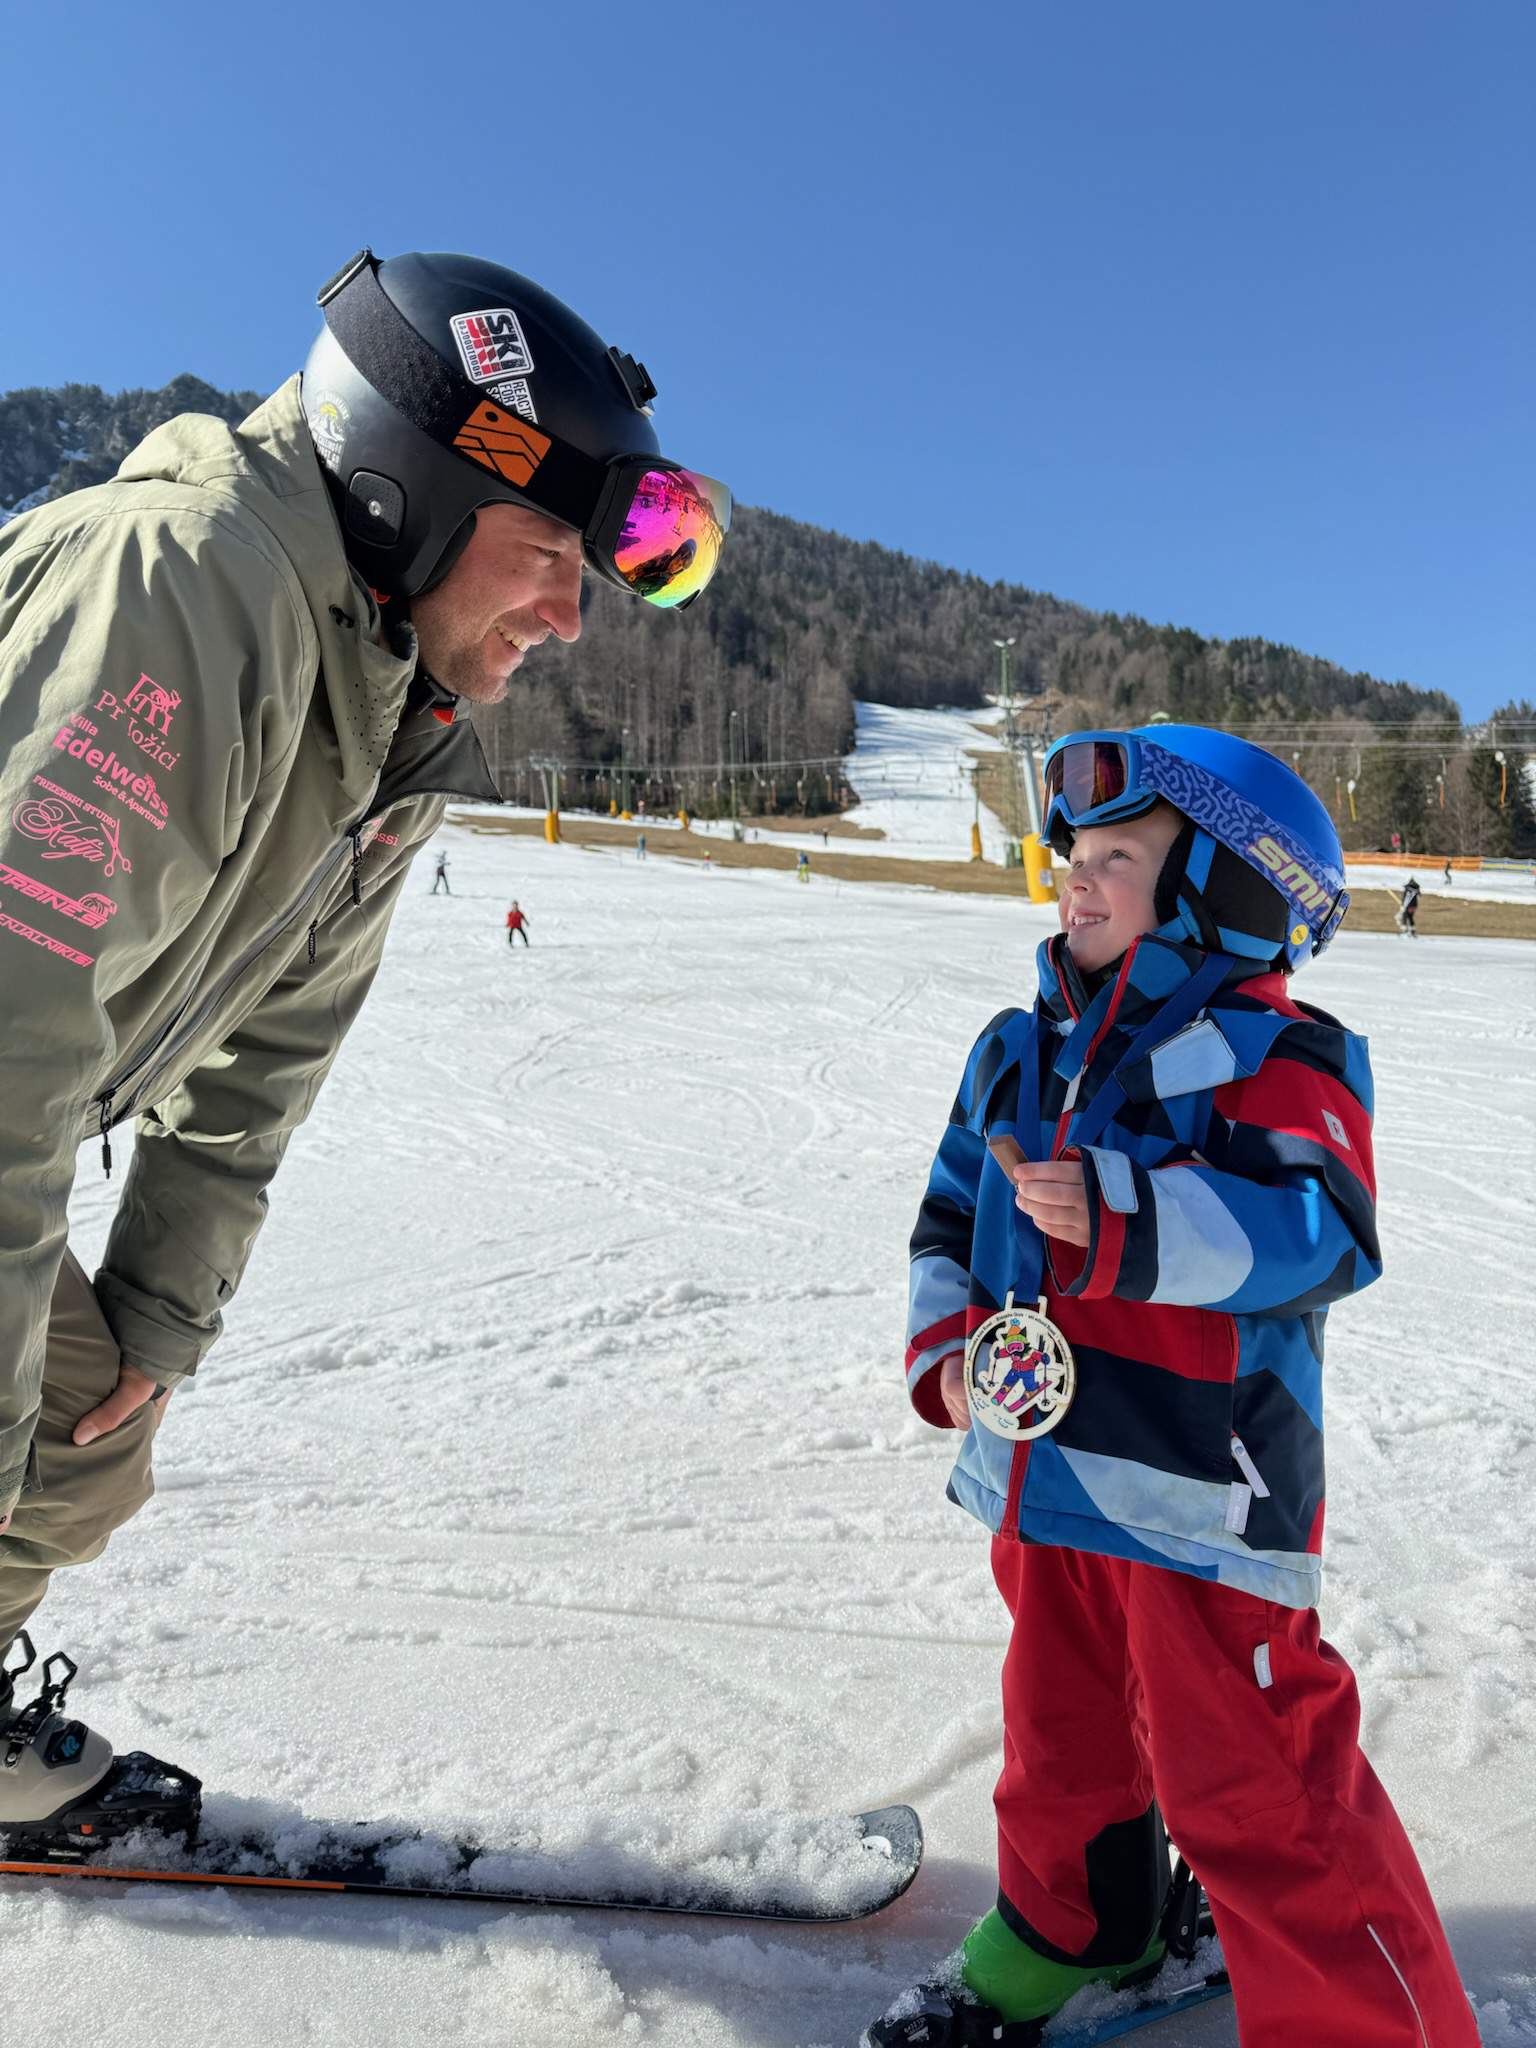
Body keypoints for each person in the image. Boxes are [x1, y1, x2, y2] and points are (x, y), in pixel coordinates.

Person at [0, 247, 731, 1844]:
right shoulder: (187, 590)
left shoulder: (396, 728)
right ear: (404, 493)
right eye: (549, 548)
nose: (569, 615)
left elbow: (262, 1072)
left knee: (78, 1439)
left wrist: (155, 1328)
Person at [865, 728, 1476, 2048]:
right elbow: (946, 1216)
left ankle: (1370, 2022)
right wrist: (944, 1349)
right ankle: (1075, 1931)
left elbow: (1321, 1231)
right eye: (1072, 855)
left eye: (1120, 857)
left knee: (1250, 1778)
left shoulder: (1280, 1055)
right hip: (1047, 1475)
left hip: (1206, 1489)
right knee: (1059, 1733)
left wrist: (1126, 1215)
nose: (1073, 881)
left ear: (1225, 886)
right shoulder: (1013, 1054)